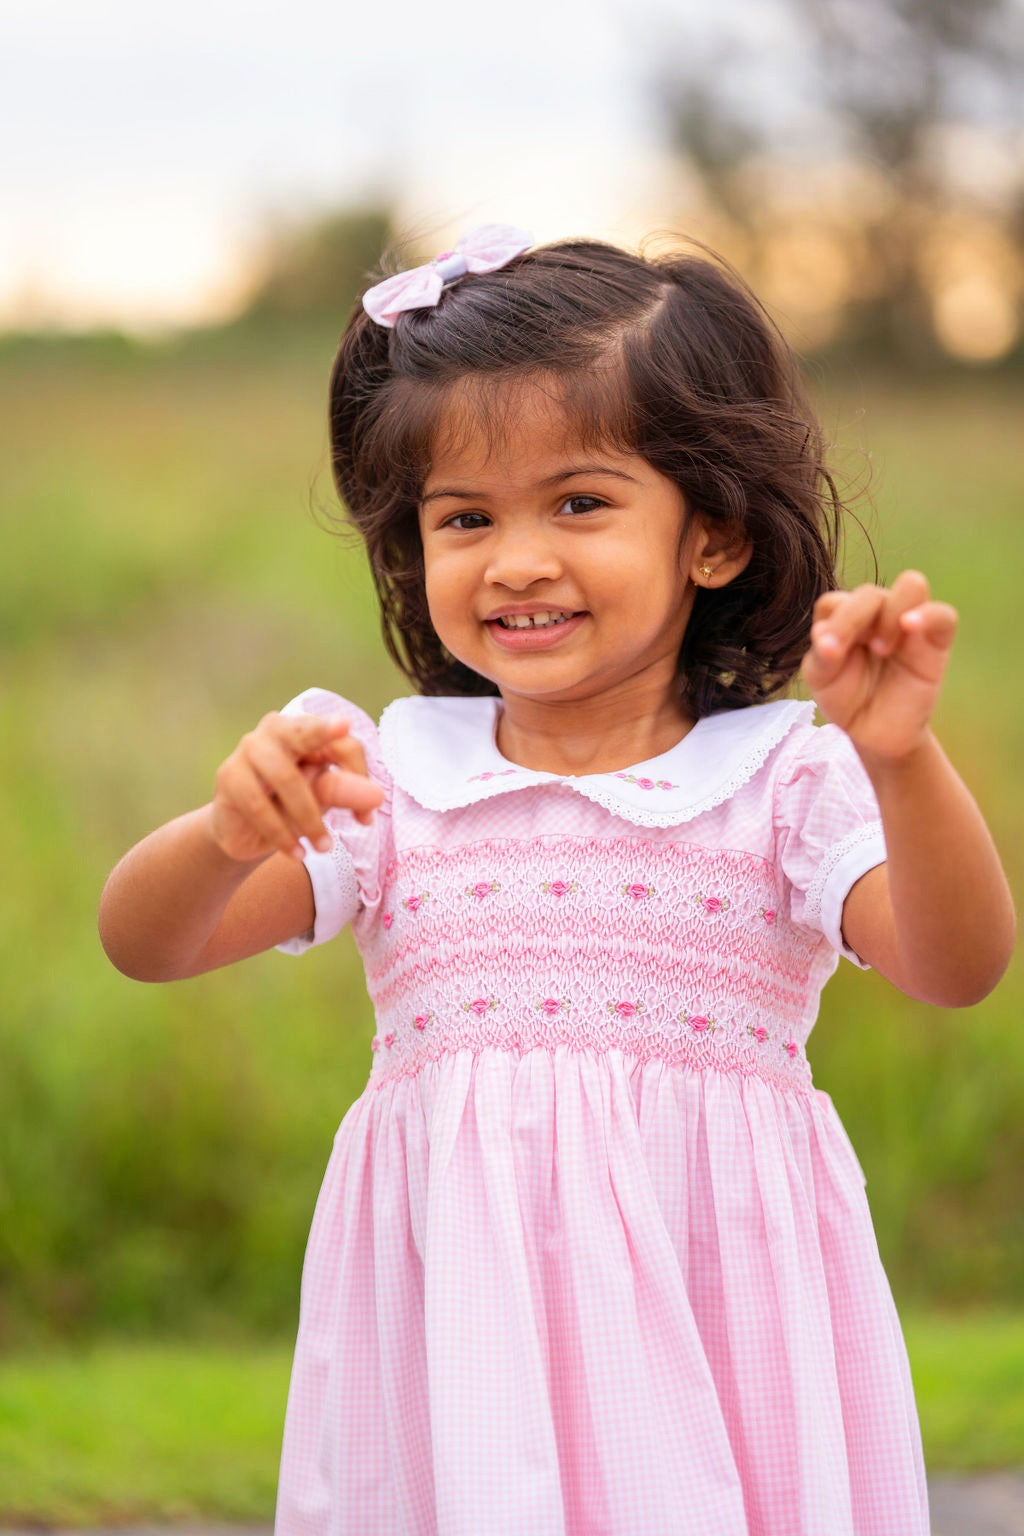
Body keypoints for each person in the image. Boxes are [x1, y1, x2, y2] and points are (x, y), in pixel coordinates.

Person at [99, 225, 1015, 1536]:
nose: (516, 558)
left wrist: (904, 757)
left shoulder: (782, 786)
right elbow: (149, 943)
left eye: (578, 503)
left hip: (717, 1327)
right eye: (465, 518)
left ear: (711, 537)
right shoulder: (386, 776)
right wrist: (223, 834)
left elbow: (959, 962)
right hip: (461, 1342)